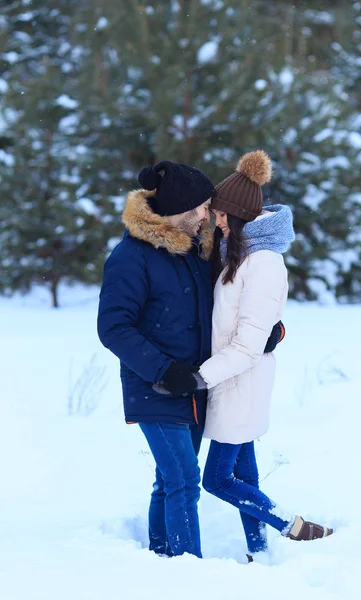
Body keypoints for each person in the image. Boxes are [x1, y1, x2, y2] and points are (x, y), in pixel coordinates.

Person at [196, 150, 333, 559]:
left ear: (237, 216)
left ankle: (293, 527)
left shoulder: (264, 263)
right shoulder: (238, 255)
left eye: (220, 214)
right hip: (232, 378)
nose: (215, 221)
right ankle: (260, 548)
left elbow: (247, 344)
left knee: (217, 480)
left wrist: (200, 376)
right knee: (244, 472)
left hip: (240, 380)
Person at [97, 160, 215, 559]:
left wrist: (264, 329)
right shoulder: (131, 257)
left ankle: (163, 559)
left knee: (169, 480)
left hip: (194, 388)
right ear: (181, 208)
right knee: (183, 478)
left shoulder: (193, 252)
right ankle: (187, 570)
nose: (207, 216)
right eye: (201, 209)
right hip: (155, 386)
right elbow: (113, 327)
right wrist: (164, 370)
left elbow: (215, 308)